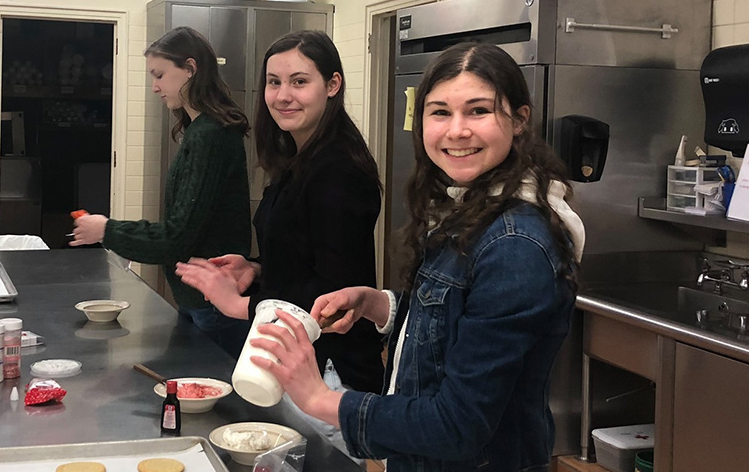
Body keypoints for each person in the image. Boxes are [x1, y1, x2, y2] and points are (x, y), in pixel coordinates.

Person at [244, 42, 585, 472]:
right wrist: (378, 305)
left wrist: (322, 399)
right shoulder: (468, 208)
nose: (456, 131)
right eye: (440, 112)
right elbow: (454, 321)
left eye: (477, 110)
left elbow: (458, 425)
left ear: (519, 120)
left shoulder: (515, 246)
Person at [175, 30, 385, 423]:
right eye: (274, 82)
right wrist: (255, 269)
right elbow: (306, 255)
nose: (283, 95)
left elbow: (332, 294)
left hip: (331, 373)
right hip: (297, 360)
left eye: (299, 81)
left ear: (332, 85)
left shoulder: (339, 169)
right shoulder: (299, 157)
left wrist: (239, 305)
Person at [70, 26, 252, 358]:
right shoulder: (200, 131)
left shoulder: (210, 136)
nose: (155, 87)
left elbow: (177, 236)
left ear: (191, 69)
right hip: (200, 297)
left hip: (213, 303)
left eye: (160, 75)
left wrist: (107, 230)